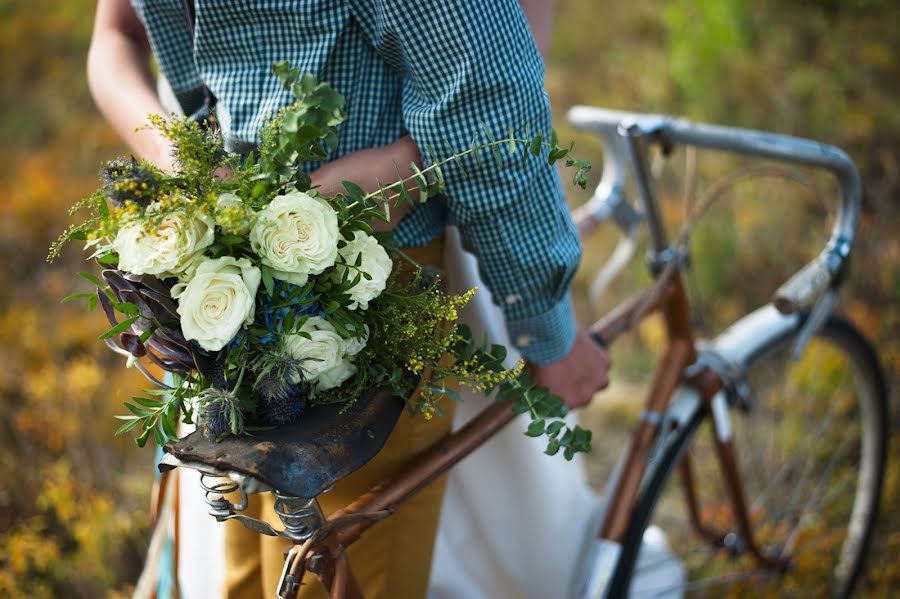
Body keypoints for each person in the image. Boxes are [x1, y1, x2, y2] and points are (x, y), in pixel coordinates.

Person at [87, 0, 611, 597]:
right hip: (216, 278)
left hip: (366, 277)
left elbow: (487, 77)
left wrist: (410, 168)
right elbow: (117, 33)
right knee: (267, 556)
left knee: (319, 561)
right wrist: (178, 159)